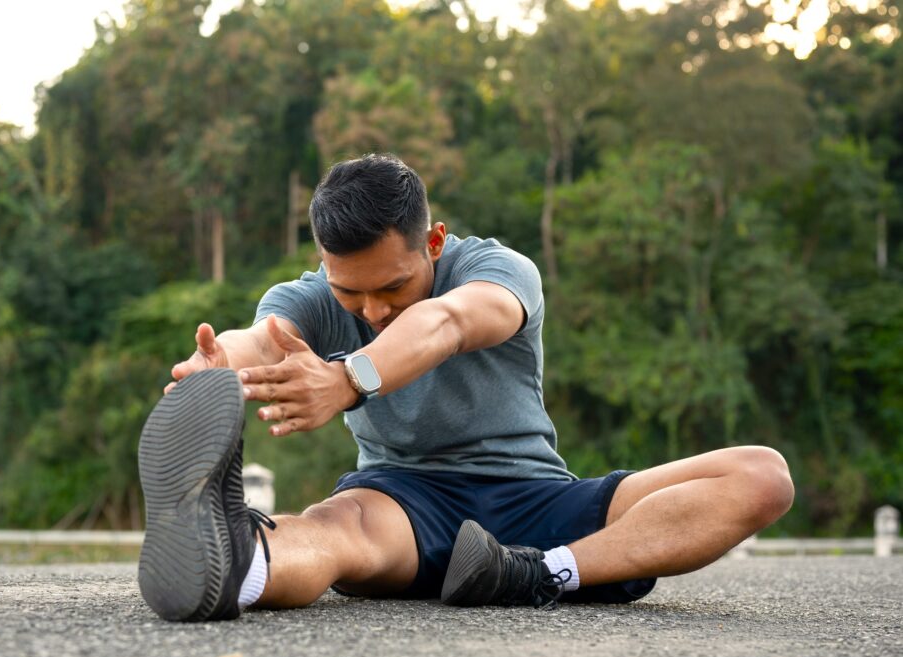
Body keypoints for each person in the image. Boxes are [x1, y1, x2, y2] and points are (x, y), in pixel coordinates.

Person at [135, 153, 794, 622]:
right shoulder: (308, 296)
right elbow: (264, 336)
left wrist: (348, 378)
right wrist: (219, 366)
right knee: (333, 530)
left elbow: (444, 322)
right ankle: (234, 566)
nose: (370, 310)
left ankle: (540, 573)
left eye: (392, 286)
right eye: (349, 291)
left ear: (435, 241)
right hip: (402, 500)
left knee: (761, 476)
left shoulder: (495, 270)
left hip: (537, 499)